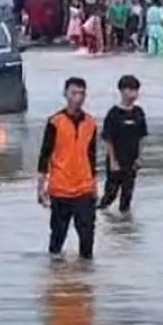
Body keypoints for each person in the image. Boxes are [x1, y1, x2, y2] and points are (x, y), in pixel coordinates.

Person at [37, 77, 99, 260]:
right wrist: (40, 188)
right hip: (60, 188)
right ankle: (56, 276)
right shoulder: (55, 122)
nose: (78, 98)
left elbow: (91, 155)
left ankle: (86, 278)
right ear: (65, 94)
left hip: (84, 187)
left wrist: (95, 185)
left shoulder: (91, 123)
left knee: (87, 237)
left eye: (81, 93)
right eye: (74, 93)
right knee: (57, 238)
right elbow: (44, 156)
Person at [98, 75, 148, 214]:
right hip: (116, 160)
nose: (134, 94)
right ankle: (100, 215)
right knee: (111, 194)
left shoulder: (138, 112)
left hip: (132, 160)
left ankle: (125, 226)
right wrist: (113, 161)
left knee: (127, 194)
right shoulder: (113, 114)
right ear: (122, 91)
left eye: (136, 90)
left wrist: (140, 157)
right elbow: (108, 139)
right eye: (130, 90)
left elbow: (141, 137)